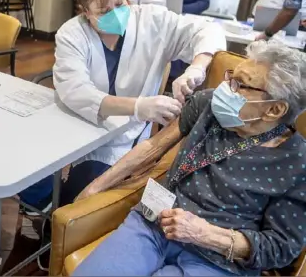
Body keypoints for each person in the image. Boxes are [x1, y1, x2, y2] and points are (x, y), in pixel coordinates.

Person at [73, 41, 306, 276]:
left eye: (240, 85)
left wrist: (207, 235)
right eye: (230, 77)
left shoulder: (297, 163)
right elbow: (153, 147)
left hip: (217, 260)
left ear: (274, 110)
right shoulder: (209, 103)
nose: (225, 89)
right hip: (155, 222)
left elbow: (280, 248)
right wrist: (94, 188)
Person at [18, 0, 225, 214]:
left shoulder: (151, 21)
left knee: (81, 196)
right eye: (104, 11)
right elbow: (76, 92)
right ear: (85, 12)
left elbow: (208, 30)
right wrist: (138, 106)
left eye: (120, 2)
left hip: (121, 140)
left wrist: (196, 68)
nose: (116, 13)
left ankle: (56, 226)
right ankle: (37, 213)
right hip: (74, 127)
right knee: (28, 174)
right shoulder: (72, 34)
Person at [140, 0, 211, 83]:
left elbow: (204, 2)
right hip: (158, 20)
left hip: (182, 20)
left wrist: (182, 8)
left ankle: (173, 78)